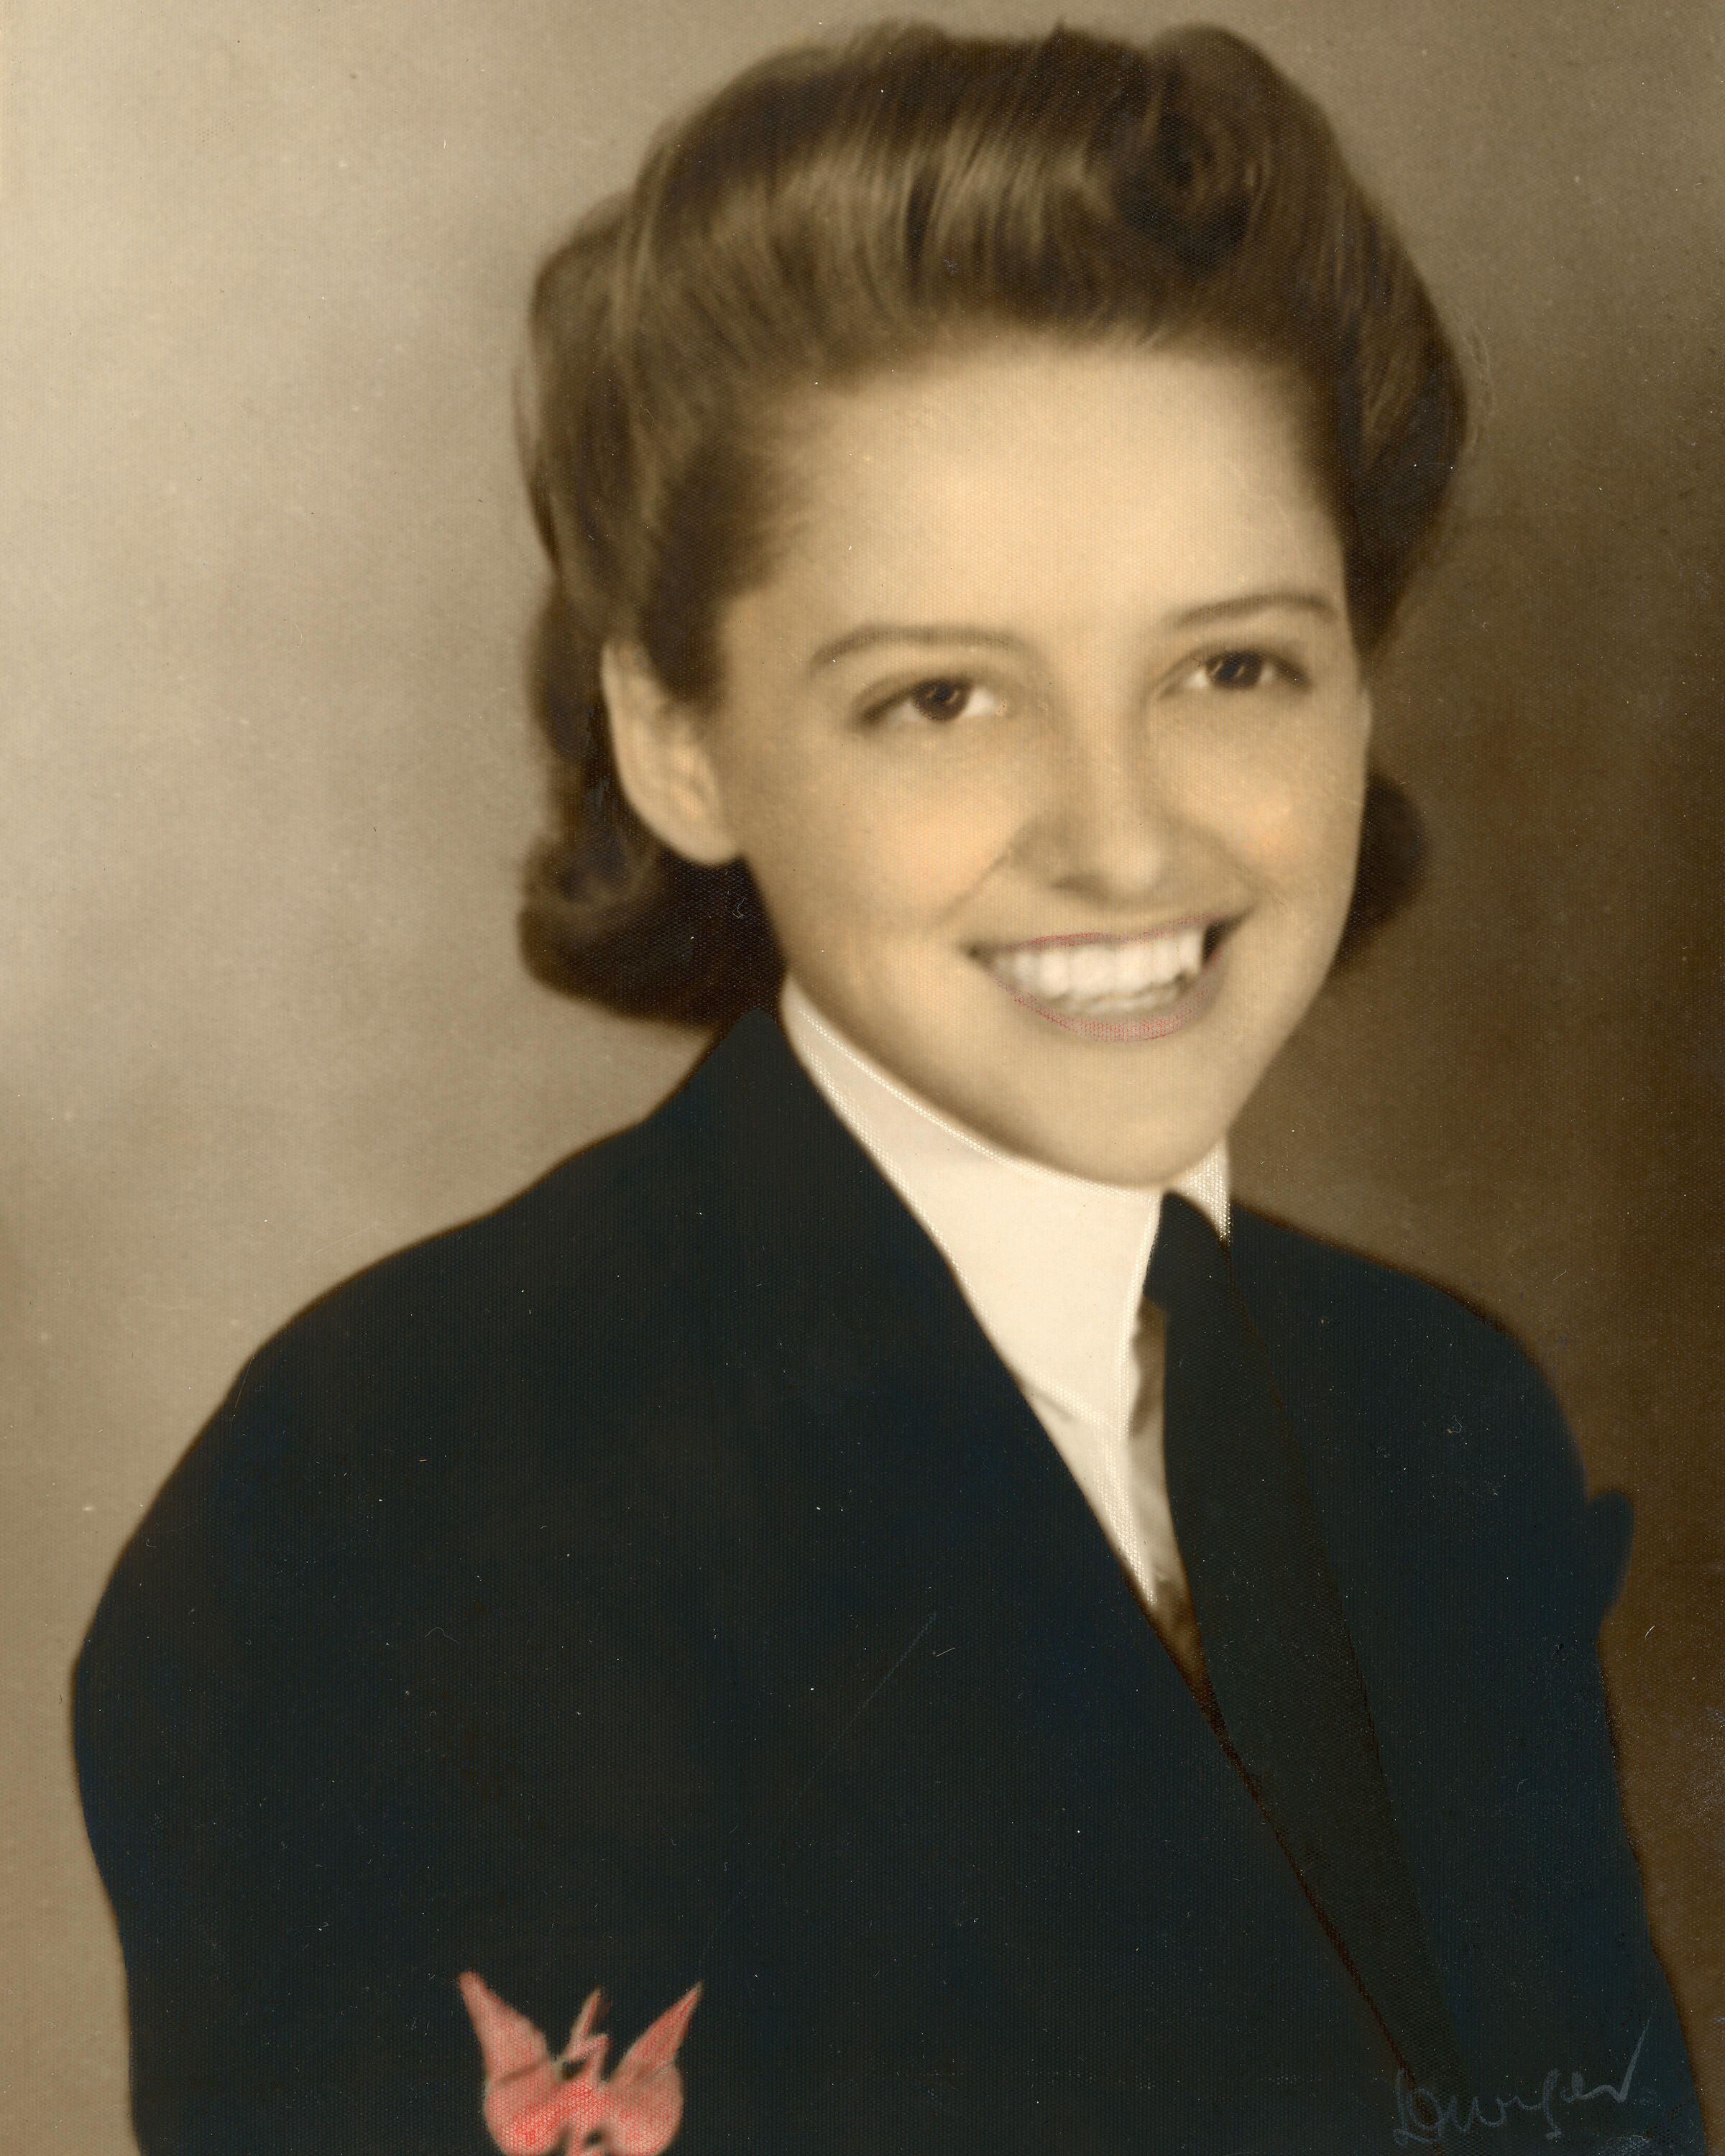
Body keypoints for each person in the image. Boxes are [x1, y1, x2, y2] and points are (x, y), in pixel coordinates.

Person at [74, 22, 1704, 2155]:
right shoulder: (384, 1503)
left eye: (1234, 667)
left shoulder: (1437, 1424)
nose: (1125, 843)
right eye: (939, 697)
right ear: (678, 741)